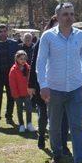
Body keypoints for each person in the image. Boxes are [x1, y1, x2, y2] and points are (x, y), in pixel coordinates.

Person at [37, 3, 82, 163]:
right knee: (54, 126)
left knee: (76, 125)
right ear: (57, 16)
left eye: (71, 14)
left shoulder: (81, 36)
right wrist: (43, 85)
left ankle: (80, 162)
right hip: (54, 88)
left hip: (76, 87)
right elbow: (41, 62)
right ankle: (57, 156)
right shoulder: (48, 36)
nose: (69, 17)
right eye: (65, 14)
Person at [29, 16, 70, 151]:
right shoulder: (42, 41)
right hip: (44, 84)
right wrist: (31, 85)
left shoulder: (68, 41)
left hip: (61, 86)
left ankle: (63, 145)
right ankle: (41, 136)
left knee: (63, 117)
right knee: (44, 115)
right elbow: (34, 64)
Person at [0, 24, 19, 129]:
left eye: (4, 31)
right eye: (0, 31)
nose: (3, 33)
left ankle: (9, 116)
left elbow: (18, 61)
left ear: (7, 32)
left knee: (11, 97)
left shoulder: (14, 44)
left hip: (11, 75)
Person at [9, 50, 34, 133]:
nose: (23, 60)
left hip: (27, 93)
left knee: (29, 109)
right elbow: (12, 84)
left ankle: (29, 124)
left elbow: (31, 80)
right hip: (18, 95)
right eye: (21, 59)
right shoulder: (13, 70)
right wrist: (15, 94)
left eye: (24, 58)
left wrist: (31, 90)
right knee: (19, 109)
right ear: (17, 59)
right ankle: (21, 125)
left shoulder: (28, 68)